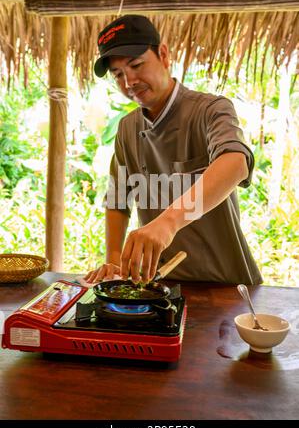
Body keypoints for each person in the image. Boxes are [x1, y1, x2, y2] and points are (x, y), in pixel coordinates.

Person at [84, 14, 262, 286]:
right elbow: (118, 200)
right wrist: (114, 259)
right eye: (118, 74)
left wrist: (168, 221)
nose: (129, 82)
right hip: (160, 287)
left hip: (227, 287)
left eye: (136, 65)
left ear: (164, 55)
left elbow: (236, 162)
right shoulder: (126, 129)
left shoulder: (211, 110)